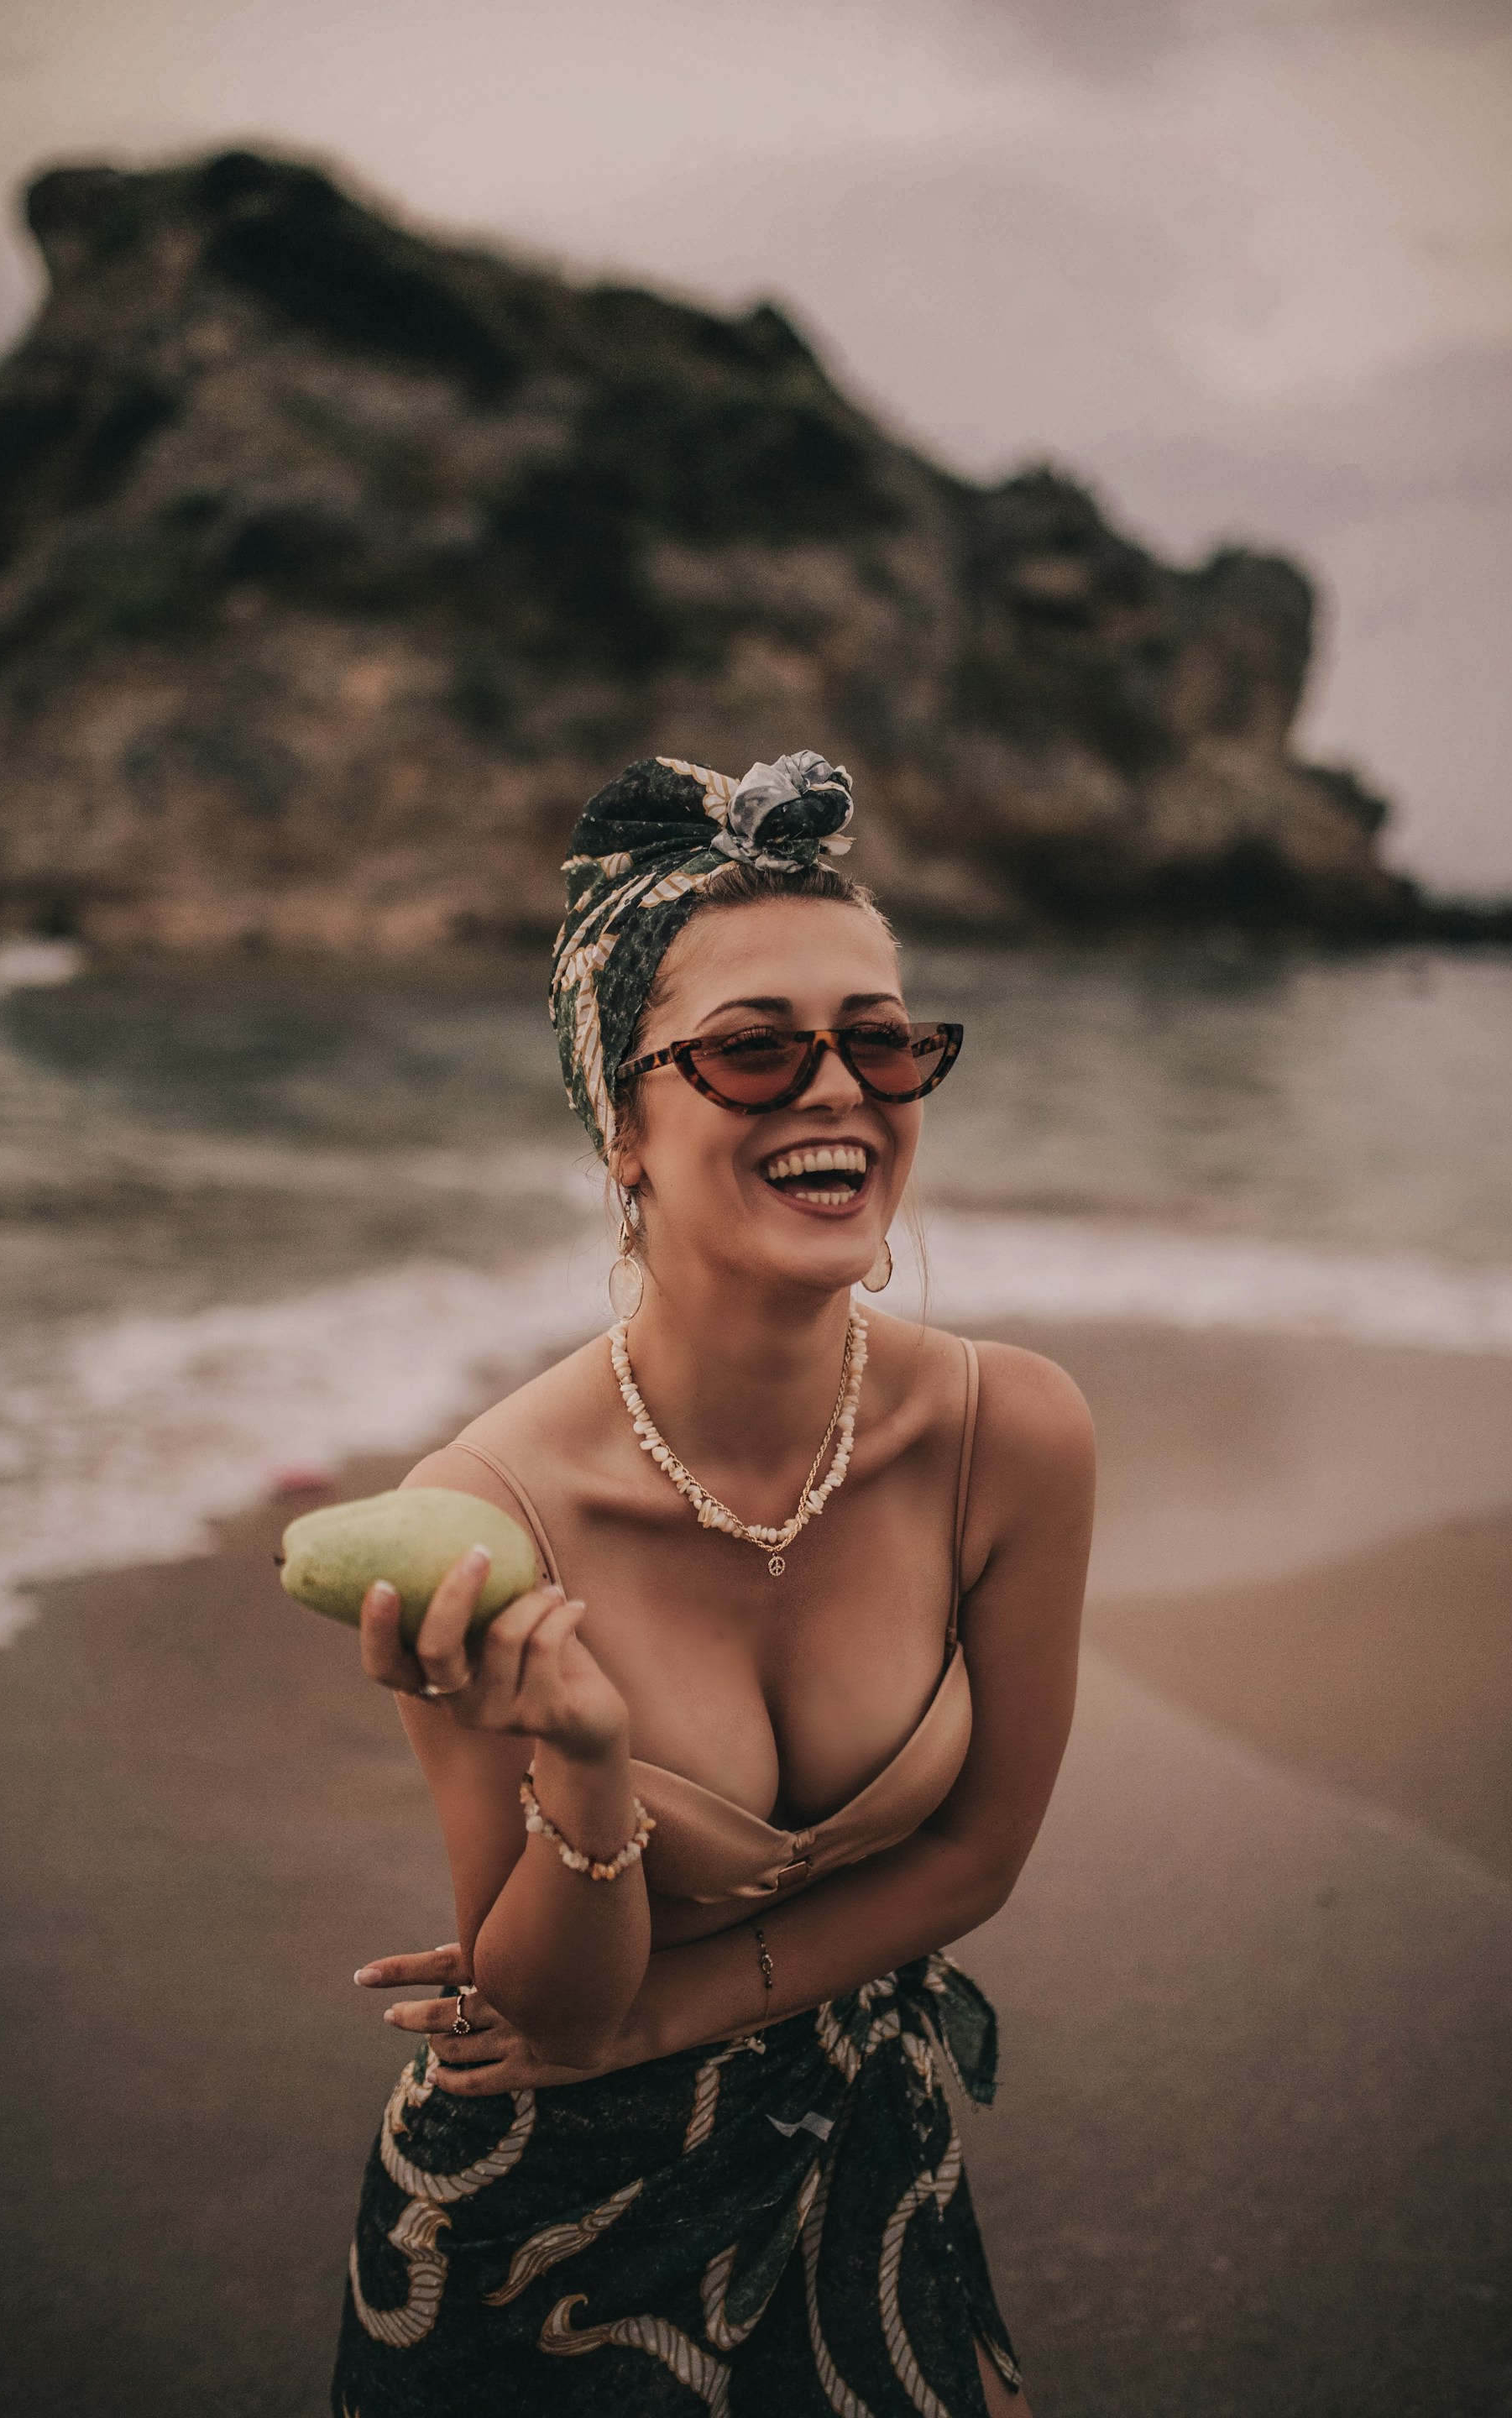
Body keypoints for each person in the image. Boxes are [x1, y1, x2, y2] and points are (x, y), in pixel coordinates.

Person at [331, 751, 1094, 2416]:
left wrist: (669, 2002)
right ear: (621, 1126)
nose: (842, 1091)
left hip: (869, 2163)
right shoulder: (484, 1513)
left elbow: (978, 1856)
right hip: (536, 2238)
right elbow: (543, 2006)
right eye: (756, 1048)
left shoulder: (1009, 1435)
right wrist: (588, 1771)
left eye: (879, 1039)